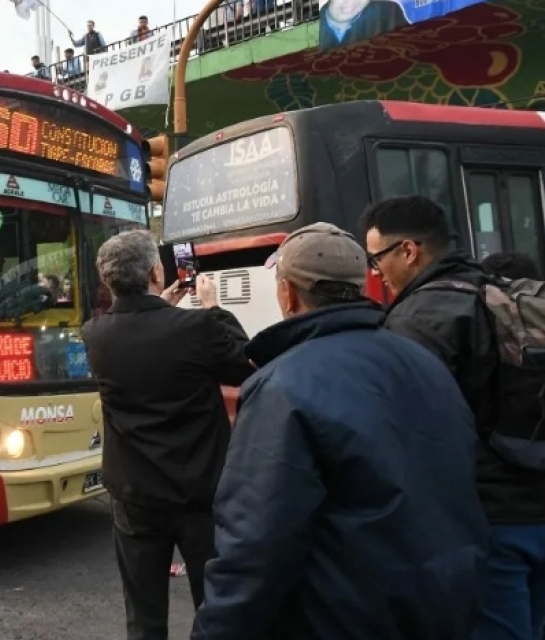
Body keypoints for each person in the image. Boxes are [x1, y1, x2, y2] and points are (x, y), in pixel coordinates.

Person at [193, 222, 488, 639]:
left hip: (343, 618)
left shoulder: (283, 385)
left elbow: (255, 544)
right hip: (447, 604)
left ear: (289, 293)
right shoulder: (424, 363)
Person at [362, 196, 545, 639]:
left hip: (485, 520)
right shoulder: (496, 289)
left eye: (377, 258)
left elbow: (406, 436)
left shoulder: (417, 318)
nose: (375, 272)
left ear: (408, 250)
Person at [80, 230, 253, 640]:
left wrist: (163, 308)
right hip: (199, 494)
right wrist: (213, 309)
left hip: (134, 496)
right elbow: (245, 365)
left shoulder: (95, 334)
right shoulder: (197, 326)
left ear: (108, 281)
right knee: (214, 607)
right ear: (157, 271)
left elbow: (145, 335)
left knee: (144, 616)